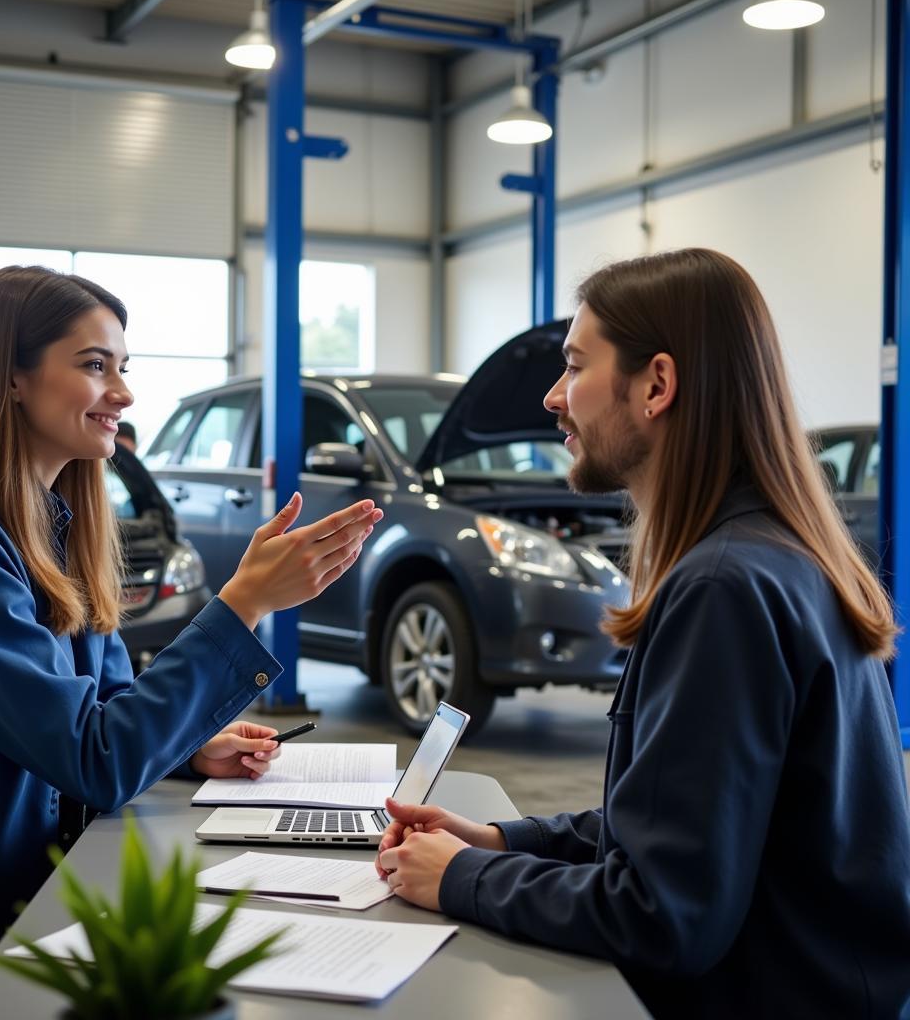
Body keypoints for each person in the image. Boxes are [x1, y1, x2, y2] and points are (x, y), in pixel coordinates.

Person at [375, 248, 910, 1017]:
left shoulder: (723, 590)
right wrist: (500, 841)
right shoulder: (772, 558)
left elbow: (662, 915)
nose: (555, 398)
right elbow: (674, 820)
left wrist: (460, 879)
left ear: (656, 384)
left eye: (575, 367)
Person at [0, 266, 383, 1020]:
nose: (123, 392)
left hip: (43, 908)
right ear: (11, 378)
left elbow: (107, 707)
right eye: (95, 366)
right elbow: (95, 757)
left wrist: (189, 746)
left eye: (123, 368)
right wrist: (242, 603)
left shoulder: (58, 524)